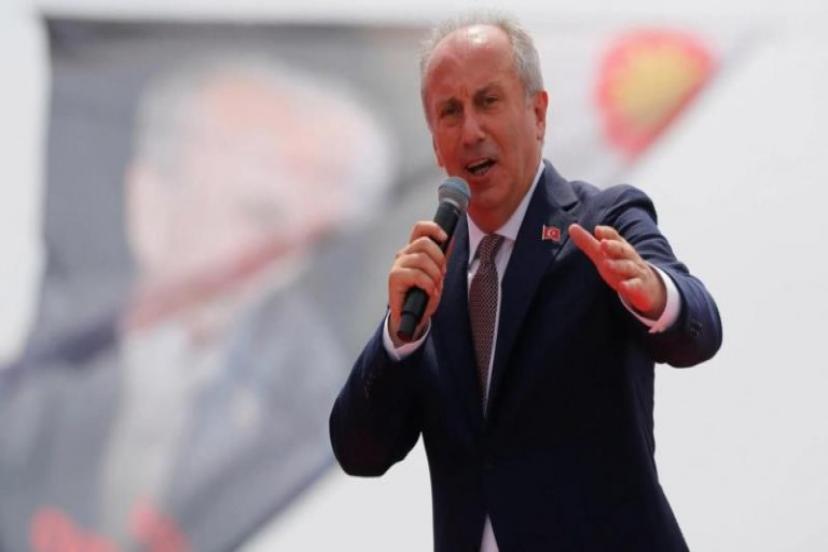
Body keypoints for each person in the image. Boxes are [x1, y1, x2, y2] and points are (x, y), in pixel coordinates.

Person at [329, 13, 722, 552]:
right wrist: (398, 340)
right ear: (435, 142)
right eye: (450, 112)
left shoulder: (601, 221)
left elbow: (700, 328)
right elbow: (360, 452)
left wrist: (655, 293)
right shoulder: (430, 273)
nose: (471, 131)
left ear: (537, 113)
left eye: (488, 101)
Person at [0, 56, 393, 552]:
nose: (286, 265)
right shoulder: (28, 333)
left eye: (321, 243)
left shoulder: (330, 418)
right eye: (260, 216)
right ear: (151, 204)